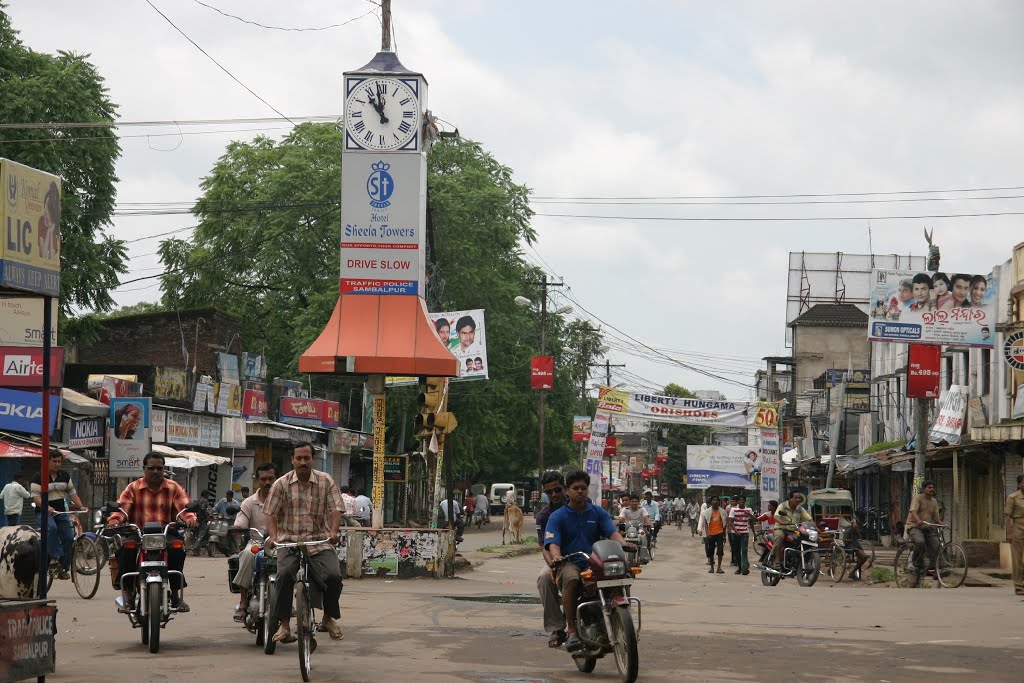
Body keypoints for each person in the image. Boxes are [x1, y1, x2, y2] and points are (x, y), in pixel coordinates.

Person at [264, 442, 344, 643]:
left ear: (313, 460)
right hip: (289, 543)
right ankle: (284, 625)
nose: (302, 462)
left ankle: (328, 618)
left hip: (319, 542)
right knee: (283, 576)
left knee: (334, 576)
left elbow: (336, 510)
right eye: (298, 458)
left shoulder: (326, 481)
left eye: (306, 458)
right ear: (292, 460)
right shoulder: (280, 484)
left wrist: (333, 531)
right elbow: (271, 514)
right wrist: (273, 536)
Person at [544, 470, 631, 653]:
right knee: (572, 579)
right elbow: (552, 543)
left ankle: (621, 618)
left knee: (623, 572)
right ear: (567, 490)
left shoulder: (598, 512)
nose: (580, 491)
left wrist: (623, 544)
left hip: (595, 561)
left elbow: (612, 532)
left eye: (583, 488)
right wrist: (557, 557)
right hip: (570, 562)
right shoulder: (557, 516)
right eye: (575, 488)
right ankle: (573, 631)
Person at [106, 451, 197, 610]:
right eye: (151, 468)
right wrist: (114, 521)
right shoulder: (133, 488)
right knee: (126, 550)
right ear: (144, 469)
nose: (155, 471)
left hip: (165, 531)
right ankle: (127, 592)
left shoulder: (173, 487)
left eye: (159, 468)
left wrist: (190, 519)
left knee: (176, 549)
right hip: (138, 531)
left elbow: (184, 508)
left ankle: (175, 594)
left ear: (164, 469)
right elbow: (123, 509)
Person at [231, 462, 277, 622]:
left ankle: (286, 601)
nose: (267, 483)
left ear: (276, 479)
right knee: (246, 554)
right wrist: (237, 527)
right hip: (256, 542)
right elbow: (241, 521)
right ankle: (243, 602)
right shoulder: (249, 502)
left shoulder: (285, 501)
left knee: (292, 562)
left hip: (279, 543)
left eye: (271, 478)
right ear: (257, 481)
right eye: (263, 479)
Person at [31, 451, 86, 579]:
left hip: (61, 512)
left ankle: (63, 567)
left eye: (59, 462)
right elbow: (37, 499)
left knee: (69, 536)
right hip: (44, 512)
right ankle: (54, 558)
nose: (57, 464)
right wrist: (48, 507)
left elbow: (73, 494)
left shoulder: (65, 476)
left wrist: (81, 506)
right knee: (51, 529)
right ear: (47, 461)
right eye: (54, 461)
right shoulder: (38, 477)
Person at [534, 471, 568, 648]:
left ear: (564, 487)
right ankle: (556, 626)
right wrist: (553, 565)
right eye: (549, 492)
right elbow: (544, 546)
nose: (554, 494)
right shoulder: (544, 516)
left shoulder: (582, 504)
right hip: (559, 559)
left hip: (586, 555)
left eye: (557, 489)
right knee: (544, 578)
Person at [906, 480, 943, 574]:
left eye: (933, 488)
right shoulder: (918, 498)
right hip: (914, 526)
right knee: (920, 542)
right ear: (924, 489)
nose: (932, 489)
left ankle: (932, 568)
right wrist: (918, 520)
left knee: (937, 545)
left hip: (926, 527)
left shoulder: (934, 501)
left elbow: (936, 518)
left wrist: (942, 524)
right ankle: (916, 562)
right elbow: (913, 511)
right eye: (929, 487)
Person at [771, 490, 813, 568]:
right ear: (790, 498)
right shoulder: (782, 506)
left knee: (805, 539)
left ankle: (800, 560)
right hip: (781, 528)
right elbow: (776, 516)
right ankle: (777, 560)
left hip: (793, 530)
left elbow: (809, 519)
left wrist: (815, 528)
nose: (798, 500)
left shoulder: (800, 509)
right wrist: (782, 522)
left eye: (799, 498)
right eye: (796, 498)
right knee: (779, 537)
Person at [1004, 473, 1024, 597]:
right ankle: (1019, 586)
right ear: (1019, 484)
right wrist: (1009, 533)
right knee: (1017, 559)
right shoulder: (1013, 497)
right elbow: (1007, 516)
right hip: (1018, 529)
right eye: (1023, 482)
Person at [701, 496, 727, 574]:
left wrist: (724, 535)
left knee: (720, 551)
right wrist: (707, 532)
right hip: (711, 534)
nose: (715, 501)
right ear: (711, 502)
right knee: (711, 551)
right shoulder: (707, 512)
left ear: (719, 502)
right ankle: (712, 567)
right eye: (713, 500)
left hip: (720, 533)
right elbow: (705, 523)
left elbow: (724, 524)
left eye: (716, 500)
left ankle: (719, 567)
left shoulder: (722, 512)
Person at [728, 496, 753, 575]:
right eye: (740, 500)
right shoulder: (733, 509)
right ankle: (739, 567)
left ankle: (745, 568)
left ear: (745, 501)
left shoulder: (749, 510)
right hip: (735, 533)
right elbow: (731, 521)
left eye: (743, 500)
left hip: (745, 532)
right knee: (737, 550)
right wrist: (736, 530)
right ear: (738, 501)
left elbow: (751, 521)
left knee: (744, 550)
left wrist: (755, 534)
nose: (741, 502)